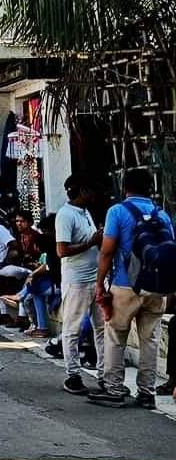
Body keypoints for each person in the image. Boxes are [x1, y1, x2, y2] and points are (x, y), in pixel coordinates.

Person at [90, 167, 174, 409]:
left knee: (116, 336)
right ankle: (147, 393)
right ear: (151, 188)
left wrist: (99, 284)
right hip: (157, 288)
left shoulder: (117, 211)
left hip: (126, 285)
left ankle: (114, 388)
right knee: (151, 340)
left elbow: (106, 251)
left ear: (124, 186)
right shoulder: (163, 215)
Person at [55, 177, 104, 395]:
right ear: (82, 190)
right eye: (91, 190)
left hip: (95, 280)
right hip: (76, 281)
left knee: (102, 328)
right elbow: (62, 251)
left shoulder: (85, 212)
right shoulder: (65, 215)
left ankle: (105, 374)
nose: (94, 194)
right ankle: (73, 374)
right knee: (72, 329)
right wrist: (91, 242)